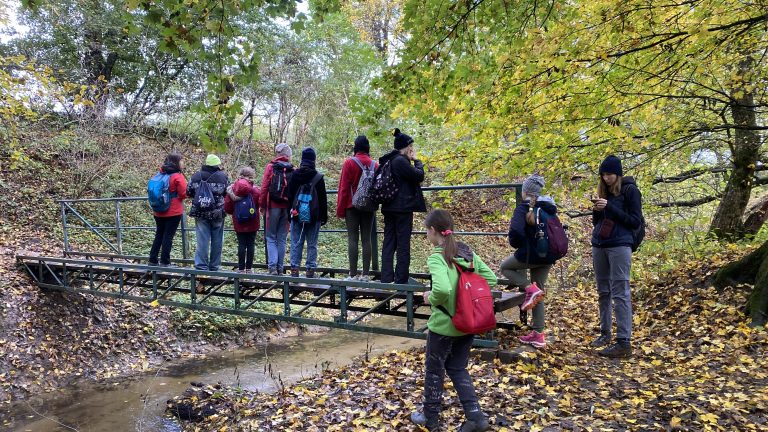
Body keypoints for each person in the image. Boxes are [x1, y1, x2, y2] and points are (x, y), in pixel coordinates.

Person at [410, 209, 493, 432]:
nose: (426, 234)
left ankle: (430, 418)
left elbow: (442, 289)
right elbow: (491, 279)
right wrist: (466, 294)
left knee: (434, 370)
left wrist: (430, 297)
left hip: (444, 325)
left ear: (433, 230)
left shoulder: (437, 257)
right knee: (457, 368)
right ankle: (475, 417)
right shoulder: (467, 253)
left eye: (426, 230)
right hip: (468, 323)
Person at [499, 174, 559, 349]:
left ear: (525, 191)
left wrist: (518, 245)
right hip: (549, 254)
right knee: (539, 292)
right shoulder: (548, 206)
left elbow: (516, 232)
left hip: (532, 254)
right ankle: (538, 334)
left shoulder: (524, 207)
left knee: (505, 267)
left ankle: (529, 289)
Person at [591, 155, 642, 358]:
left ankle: (623, 341)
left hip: (620, 245)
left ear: (618, 174)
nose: (606, 178)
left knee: (620, 291)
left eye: (609, 174)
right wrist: (597, 210)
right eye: (603, 175)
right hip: (600, 244)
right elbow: (598, 222)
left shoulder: (630, 190)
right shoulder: (604, 192)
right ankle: (605, 333)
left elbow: (635, 221)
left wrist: (610, 207)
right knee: (603, 291)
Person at [379, 128, 426, 284]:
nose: (412, 149)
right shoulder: (400, 161)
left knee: (389, 242)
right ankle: (400, 280)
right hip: (402, 208)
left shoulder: (389, 159)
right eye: (410, 146)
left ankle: (386, 278)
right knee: (403, 244)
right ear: (405, 147)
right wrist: (417, 161)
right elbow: (419, 175)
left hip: (389, 207)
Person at [336, 135, 378, 281]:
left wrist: (340, 210)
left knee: (352, 238)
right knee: (367, 239)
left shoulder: (349, 163)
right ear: (368, 148)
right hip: (369, 207)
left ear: (356, 147)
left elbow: (343, 189)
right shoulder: (375, 165)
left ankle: (353, 275)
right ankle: (365, 275)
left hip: (351, 206)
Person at [286, 147, 328, 278]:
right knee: (312, 243)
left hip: (296, 214)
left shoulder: (294, 175)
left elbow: (290, 196)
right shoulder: (318, 177)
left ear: (302, 159)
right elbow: (322, 199)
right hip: (314, 215)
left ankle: (294, 269)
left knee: (296, 242)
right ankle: (310, 270)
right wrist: (323, 217)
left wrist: (289, 214)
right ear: (314, 160)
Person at [187, 154, 229, 271]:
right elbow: (227, 193)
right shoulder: (223, 177)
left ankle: (201, 265)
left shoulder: (196, 176)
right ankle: (215, 266)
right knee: (217, 240)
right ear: (217, 164)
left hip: (200, 212)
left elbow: (188, 192)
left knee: (202, 239)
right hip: (218, 212)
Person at [259, 143, 294, 275]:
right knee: (282, 238)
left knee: (271, 237)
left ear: (278, 154)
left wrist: (262, 205)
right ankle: (280, 267)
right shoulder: (292, 169)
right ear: (288, 155)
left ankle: (272, 267)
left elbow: (264, 187)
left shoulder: (271, 167)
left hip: (272, 206)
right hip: (287, 207)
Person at [148, 153, 187, 267]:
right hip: (173, 211)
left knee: (159, 234)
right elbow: (184, 194)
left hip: (158, 210)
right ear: (176, 162)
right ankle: (165, 261)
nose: (183, 163)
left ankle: (153, 259)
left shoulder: (160, 174)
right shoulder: (177, 176)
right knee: (168, 236)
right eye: (181, 161)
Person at [224, 167, 261, 273]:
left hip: (239, 221)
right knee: (251, 244)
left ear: (240, 175)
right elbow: (260, 203)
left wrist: (235, 212)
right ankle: (249, 268)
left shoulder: (232, 189)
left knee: (241, 244)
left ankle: (241, 269)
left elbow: (227, 207)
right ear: (252, 176)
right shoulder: (256, 190)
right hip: (253, 221)